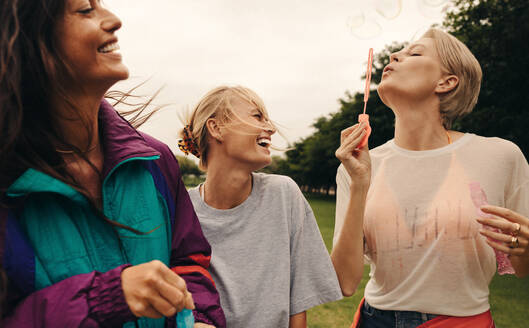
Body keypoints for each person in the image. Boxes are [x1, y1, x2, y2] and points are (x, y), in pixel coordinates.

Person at [0, 0, 225, 327]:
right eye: (85, 9)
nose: (114, 20)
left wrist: (200, 317)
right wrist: (102, 299)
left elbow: (189, 262)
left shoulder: (157, 161)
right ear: (31, 41)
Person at [331, 28, 529, 328]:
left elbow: (521, 266)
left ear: (447, 82)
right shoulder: (360, 164)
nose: (394, 55)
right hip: (373, 319)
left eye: (415, 53)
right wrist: (359, 184)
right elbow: (345, 282)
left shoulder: (501, 156)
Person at [178, 85, 343, 327]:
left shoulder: (284, 194)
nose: (271, 128)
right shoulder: (182, 211)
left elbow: (297, 303)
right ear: (216, 128)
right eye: (258, 116)